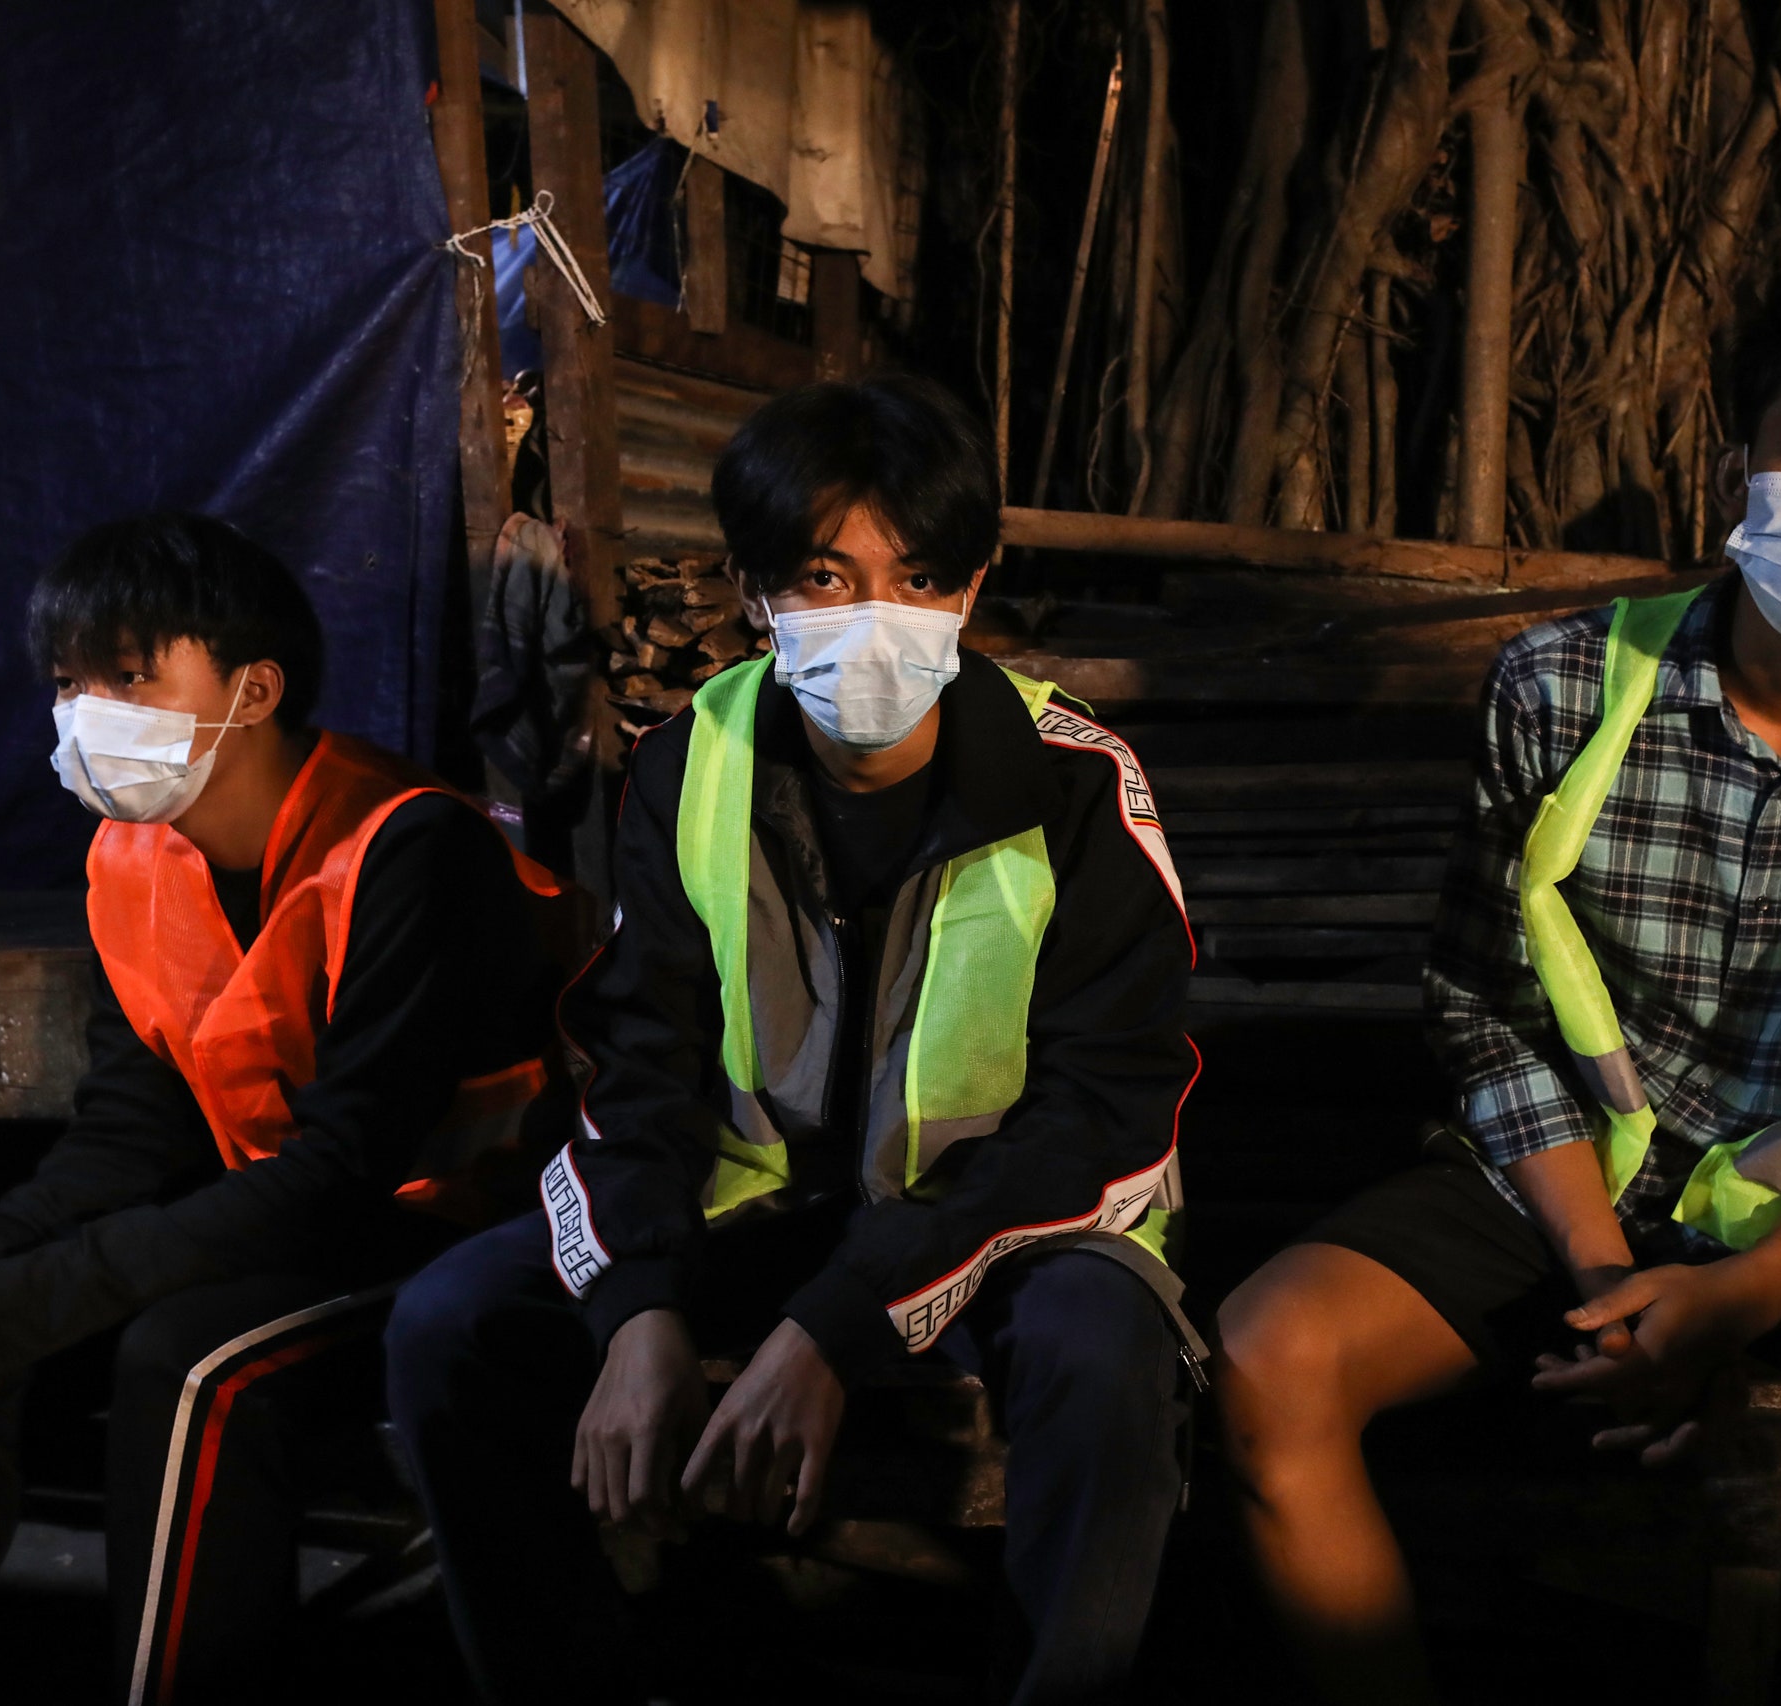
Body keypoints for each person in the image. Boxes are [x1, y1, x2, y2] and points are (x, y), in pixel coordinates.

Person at [1214, 248, 1781, 1701]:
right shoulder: (1559, 683)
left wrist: (1748, 1288)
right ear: (1741, 471)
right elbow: (1486, 1008)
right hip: (1567, 1195)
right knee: (1270, 1355)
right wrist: (1606, 1279)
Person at [385, 374, 1200, 1705]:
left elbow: (1102, 1113)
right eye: (825, 575)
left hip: (1002, 1231)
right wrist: (639, 1300)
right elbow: (634, 1057)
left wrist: (834, 1327)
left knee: (1102, 1347)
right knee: (446, 1325)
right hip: (753, 1212)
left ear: (971, 587)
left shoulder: (1074, 779)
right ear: (755, 590)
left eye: (918, 575)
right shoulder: (684, 762)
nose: (875, 620)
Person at [0, 513, 566, 1706]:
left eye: (130, 674)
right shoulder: (135, 855)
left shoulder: (409, 847)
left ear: (253, 687)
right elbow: (132, 1133)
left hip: (454, 1230)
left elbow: (345, 1169)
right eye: (71, 681)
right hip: (279, 1212)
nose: (87, 713)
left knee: (190, 1363)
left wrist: (4, 1297)